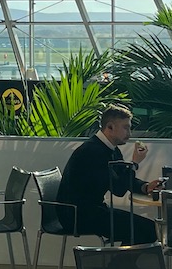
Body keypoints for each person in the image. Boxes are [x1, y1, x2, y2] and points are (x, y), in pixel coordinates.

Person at [57, 104, 161, 245]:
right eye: (126, 127)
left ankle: (115, 265)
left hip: (92, 210)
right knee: (147, 229)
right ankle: (113, 266)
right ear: (110, 127)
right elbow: (118, 189)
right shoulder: (93, 152)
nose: (129, 133)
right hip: (78, 215)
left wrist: (145, 186)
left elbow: (121, 178)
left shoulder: (110, 149)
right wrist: (134, 163)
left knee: (146, 229)